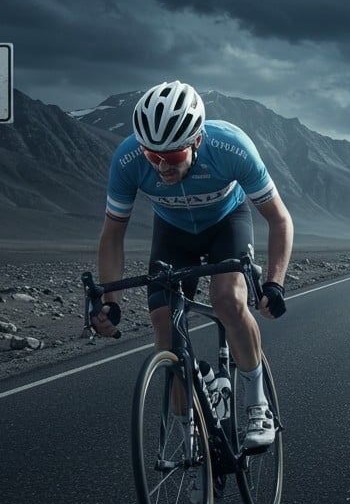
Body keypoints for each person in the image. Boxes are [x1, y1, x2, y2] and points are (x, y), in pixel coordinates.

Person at [91, 80, 293, 450]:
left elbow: (279, 219)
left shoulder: (232, 148)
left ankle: (256, 402)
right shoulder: (127, 159)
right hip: (173, 231)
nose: (161, 167)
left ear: (197, 142)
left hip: (226, 224)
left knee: (228, 301)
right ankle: (188, 434)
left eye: (172, 158)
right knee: (164, 328)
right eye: (153, 157)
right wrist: (111, 300)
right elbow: (112, 236)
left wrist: (275, 283)